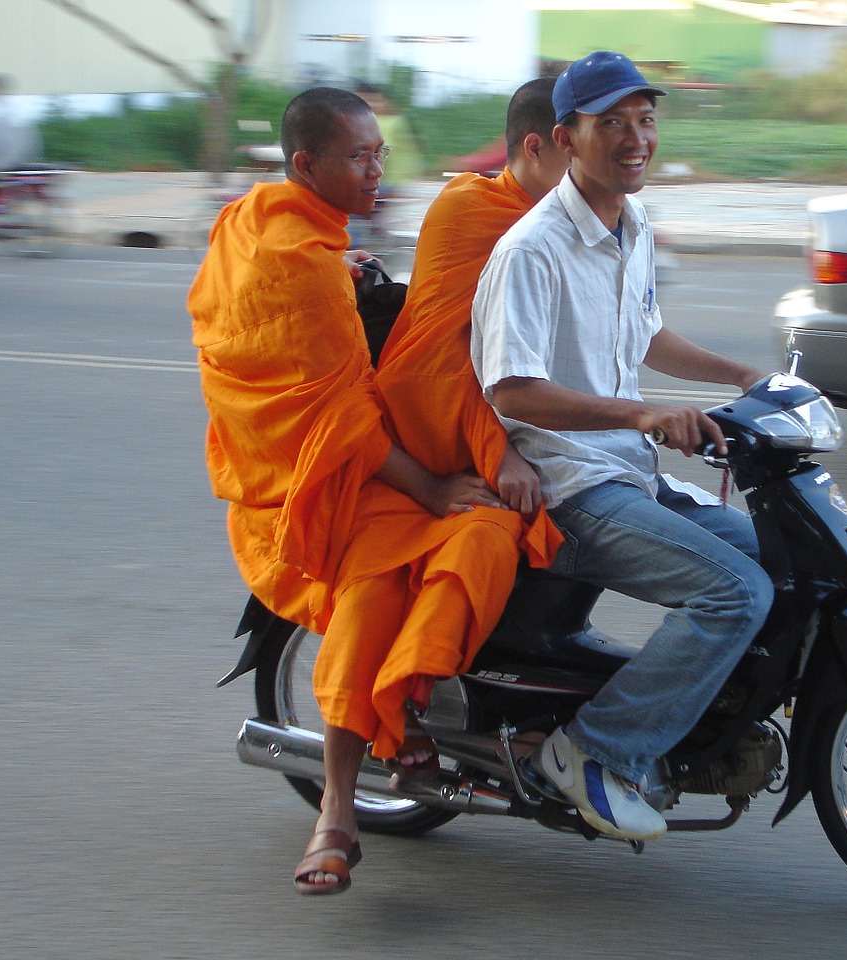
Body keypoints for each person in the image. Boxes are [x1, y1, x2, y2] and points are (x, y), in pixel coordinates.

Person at [189, 87, 560, 896]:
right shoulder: (297, 262)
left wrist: (342, 266)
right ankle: (339, 812)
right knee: (394, 573)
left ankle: (410, 704)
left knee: (490, 532)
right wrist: (429, 486)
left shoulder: (263, 220)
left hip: (361, 451)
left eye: (380, 154)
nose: (376, 172)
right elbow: (340, 418)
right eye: (358, 159)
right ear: (305, 165)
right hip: (327, 479)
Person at [471, 52, 774, 842]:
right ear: (566, 137)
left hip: (629, 474)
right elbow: (513, 392)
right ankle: (595, 751)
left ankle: (700, 733)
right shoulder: (531, 250)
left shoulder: (630, 225)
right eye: (612, 123)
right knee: (734, 591)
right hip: (569, 487)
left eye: (645, 119)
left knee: (785, 560)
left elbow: (647, 335)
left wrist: (743, 375)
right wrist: (643, 416)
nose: (636, 138)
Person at [373, 76, 568, 503]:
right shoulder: (468, 209)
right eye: (576, 152)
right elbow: (444, 349)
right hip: (444, 413)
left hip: (543, 418)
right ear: (535, 148)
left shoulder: (577, 221)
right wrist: (497, 448)